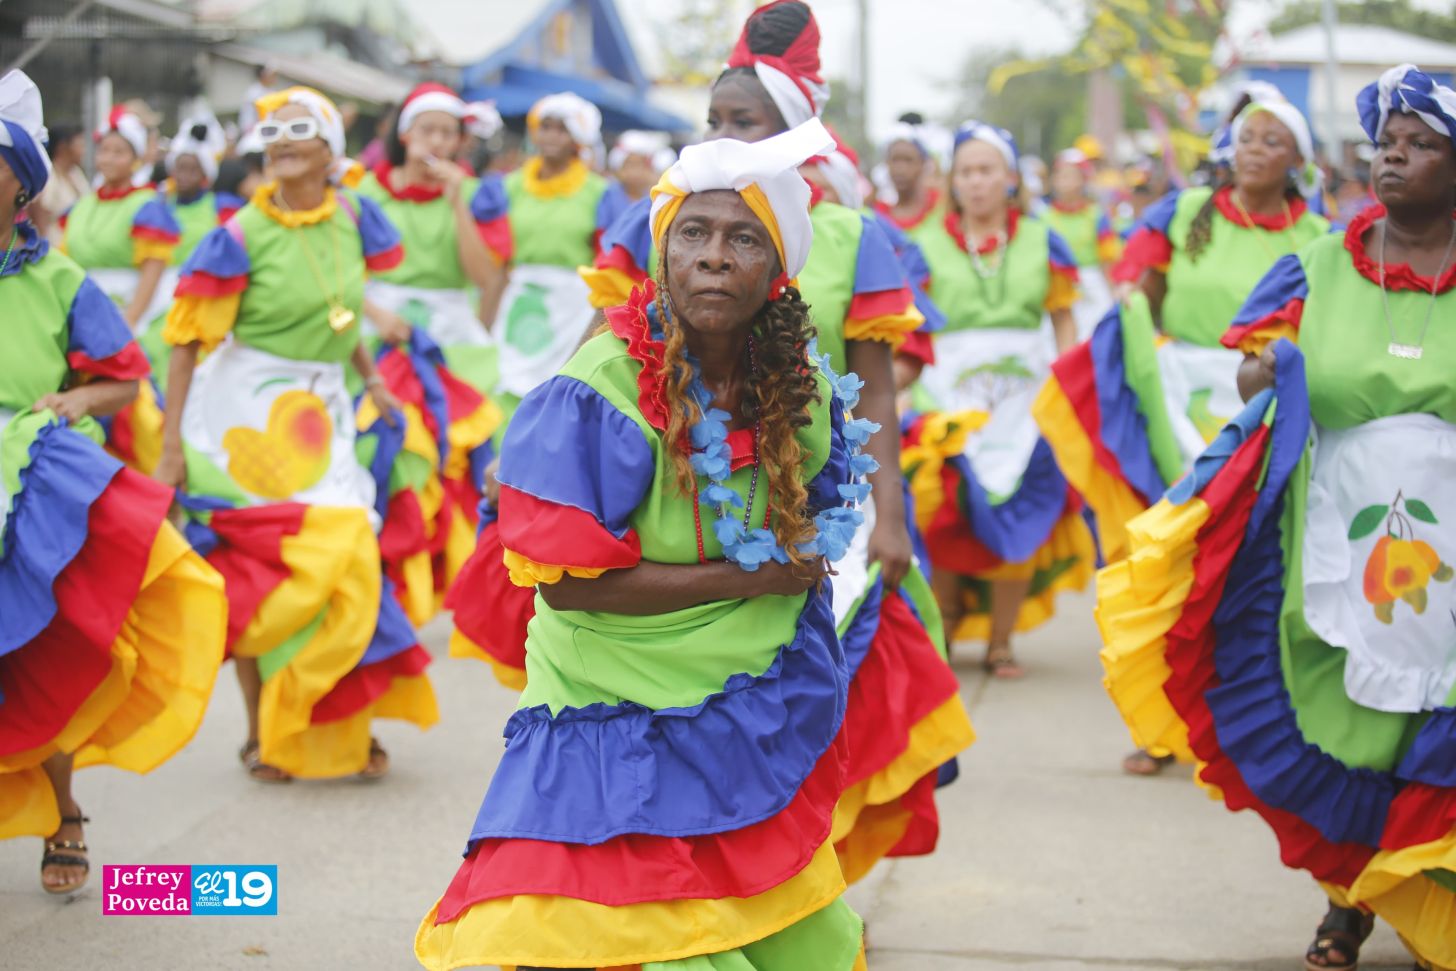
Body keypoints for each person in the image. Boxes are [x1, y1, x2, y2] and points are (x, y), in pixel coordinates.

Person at [418, 118, 873, 971]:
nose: (713, 255)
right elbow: (566, 586)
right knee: (637, 939)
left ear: (777, 271)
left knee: (785, 940)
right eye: (692, 233)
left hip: (745, 692)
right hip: (609, 700)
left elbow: (816, 509)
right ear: (661, 257)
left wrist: (793, 559)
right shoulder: (605, 384)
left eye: (743, 238)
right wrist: (753, 574)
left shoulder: (797, 383)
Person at [1098, 64, 1456, 971]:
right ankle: (1349, 905)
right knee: (1346, 721)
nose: (1393, 159)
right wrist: (1273, 371)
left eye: (1420, 145)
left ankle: (1430, 901)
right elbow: (1255, 371)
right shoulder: (1323, 263)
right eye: (1387, 143)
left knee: (1437, 728)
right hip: (1336, 536)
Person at [156, 86, 438, 783]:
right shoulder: (238, 235)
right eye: (271, 132)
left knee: (349, 555)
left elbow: (339, 313)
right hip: (242, 415)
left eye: (297, 130)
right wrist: (168, 449)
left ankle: (342, 717)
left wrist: (371, 375)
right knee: (263, 571)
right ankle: (262, 729)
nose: (279, 141)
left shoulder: (352, 216)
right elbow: (187, 342)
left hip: (324, 405)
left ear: (328, 150)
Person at [0, 69, 226, 896]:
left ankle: (63, 811)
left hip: (30, 480)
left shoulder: (59, 278)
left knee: (34, 646)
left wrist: (70, 398)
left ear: (21, 181)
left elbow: (125, 380)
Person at [903, 120, 1094, 678]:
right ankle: (943, 629)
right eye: (966, 171)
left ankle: (1001, 643)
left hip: (1024, 401)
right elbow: (914, 327)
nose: (977, 181)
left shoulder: (1041, 239)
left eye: (987, 170)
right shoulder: (925, 246)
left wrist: (1065, 385)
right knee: (947, 517)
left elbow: (1063, 321)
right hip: (948, 395)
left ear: (1010, 178)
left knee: (1017, 516)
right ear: (952, 181)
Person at [355, 82, 507, 622]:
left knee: (453, 458)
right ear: (405, 134)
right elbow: (344, 267)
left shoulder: (473, 193)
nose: (438, 142)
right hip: (378, 329)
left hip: (446, 336)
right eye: (428, 130)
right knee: (381, 445)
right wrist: (375, 315)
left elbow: (484, 276)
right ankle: (381, 567)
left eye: (449, 132)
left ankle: (443, 576)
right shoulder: (366, 193)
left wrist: (456, 202)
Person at [491, 92, 610, 410]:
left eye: (563, 128)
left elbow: (606, 261)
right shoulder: (509, 187)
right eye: (546, 126)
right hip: (519, 300)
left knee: (557, 389)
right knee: (505, 384)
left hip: (572, 306)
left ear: (578, 137)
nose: (552, 136)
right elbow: (499, 258)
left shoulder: (599, 193)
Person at [61, 105, 181, 332]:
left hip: (131, 314)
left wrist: (131, 321)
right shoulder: (82, 206)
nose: (108, 159)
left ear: (135, 159)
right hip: (82, 311)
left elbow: (152, 270)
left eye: (119, 153)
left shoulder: (146, 206)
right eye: (104, 150)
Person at [1041, 147, 1121, 338]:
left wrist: (1113, 293)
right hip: (1056, 288)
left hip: (1090, 287)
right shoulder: (1043, 218)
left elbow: (1107, 259)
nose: (1063, 180)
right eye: (1060, 175)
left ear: (1083, 180)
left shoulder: (1097, 216)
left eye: (1070, 175)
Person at [599, 129, 677, 230]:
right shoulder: (608, 193)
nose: (635, 172)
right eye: (630, 165)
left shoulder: (653, 197)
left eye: (640, 165)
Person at [875, 120, 941, 234]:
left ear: (923, 164)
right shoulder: (878, 217)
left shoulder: (940, 208)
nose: (900, 169)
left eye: (908, 160)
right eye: (895, 160)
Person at [32, 123, 87, 242]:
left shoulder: (76, 173)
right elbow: (41, 212)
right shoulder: (48, 175)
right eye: (80, 145)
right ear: (63, 147)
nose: (83, 151)